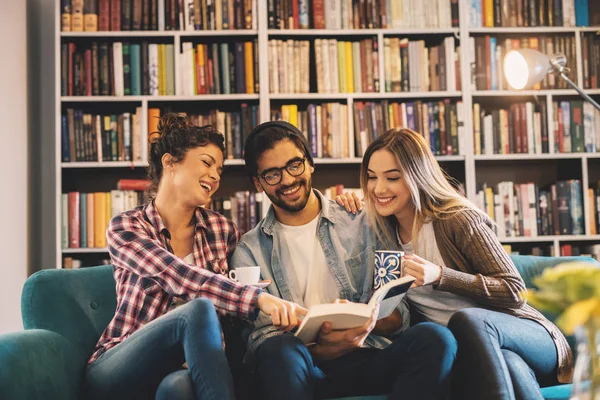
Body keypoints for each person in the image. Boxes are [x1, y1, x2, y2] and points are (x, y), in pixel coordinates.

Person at [337, 127, 572, 400]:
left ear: (417, 176)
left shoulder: (456, 219)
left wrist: (440, 275)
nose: (379, 188)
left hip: (528, 337)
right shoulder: (381, 234)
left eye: (392, 177)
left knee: (467, 320)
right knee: (509, 365)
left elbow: (515, 292)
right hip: (479, 357)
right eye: (371, 177)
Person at [84, 114, 307, 400]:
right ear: (170, 162)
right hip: (119, 364)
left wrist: (343, 206)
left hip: (185, 368)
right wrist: (257, 300)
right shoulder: (126, 227)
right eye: (206, 162)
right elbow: (176, 275)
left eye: (220, 169)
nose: (215, 175)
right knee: (198, 309)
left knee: (179, 388)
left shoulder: (222, 230)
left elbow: (231, 308)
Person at [230, 121, 457, 400]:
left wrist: (368, 323)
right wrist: (322, 350)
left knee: (436, 339)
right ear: (257, 183)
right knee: (278, 351)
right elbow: (258, 340)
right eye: (272, 174)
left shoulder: (361, 220)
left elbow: (401, 313)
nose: (287, 180)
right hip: (304, 367)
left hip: (370, 354)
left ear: (310, 163)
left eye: (294, 165)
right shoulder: (249, 250)